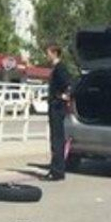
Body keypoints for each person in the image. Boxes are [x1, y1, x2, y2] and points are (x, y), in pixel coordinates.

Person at [44, 43, 72, 181]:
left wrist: (62, 96)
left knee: (57, 139)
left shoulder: (60, 68)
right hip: (55, 106)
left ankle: (57, 170)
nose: (47, 56)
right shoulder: (56, 68)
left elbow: (68, 83)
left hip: (57, 107)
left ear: (54, 53)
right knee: (55, 138)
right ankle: (56, 168)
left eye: (48, 53)